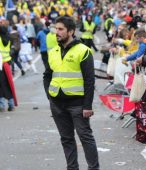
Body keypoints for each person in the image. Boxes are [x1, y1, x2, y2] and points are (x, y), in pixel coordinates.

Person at [43, 16, 99, 170]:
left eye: (60, 29)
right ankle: (72, 167)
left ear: (71, 31)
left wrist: (87, 106)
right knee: (66, 139)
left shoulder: (83, 51)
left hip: (78, 105)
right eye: (56, 29)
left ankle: (94, 168)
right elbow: (47, 75)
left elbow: (89, 81)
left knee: (85, 138)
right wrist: (50, 96)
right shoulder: (53, 51)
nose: (57, 32)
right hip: (57, 104)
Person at [0, 25, 17, 112]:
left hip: (0, 64)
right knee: (8, 84)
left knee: (0, 85)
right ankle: (11, 104)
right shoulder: (9, 39)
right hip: (7, 63)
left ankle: (2, 105)